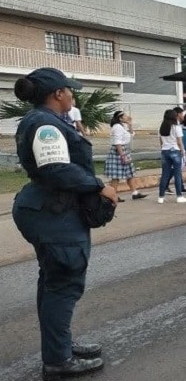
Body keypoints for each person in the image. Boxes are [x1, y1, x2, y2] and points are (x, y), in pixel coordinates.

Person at [11, 67, 117, 379]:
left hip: (49, 209)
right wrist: (99, 187)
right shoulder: (44, 123)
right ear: (58, 93)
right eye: (69, 90)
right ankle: (58, 361)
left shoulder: (46, 121)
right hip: (52, 213)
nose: (73, 94)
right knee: (63, 283)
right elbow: (56, 169)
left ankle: (61, 346)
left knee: (54, 282)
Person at [103, 110, 147, 202]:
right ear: (120, 118)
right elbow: (117, 142)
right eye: (125, 116)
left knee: (129, 173)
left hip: (123, 150)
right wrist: (122, 155)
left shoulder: (121, 126)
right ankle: (112, 195)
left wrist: (130, 124)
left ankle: (135, 193)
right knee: (116, 176)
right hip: (119, 151)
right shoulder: (117, 127)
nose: (127, 117)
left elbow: (131, 134)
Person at [158, 109, 186, 204]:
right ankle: (179, 196)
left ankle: (161, 197)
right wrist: (183, 152)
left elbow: (161, 142)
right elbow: (179, 142)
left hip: (164, 151)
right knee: (177, 174)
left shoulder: (161, 128)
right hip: (175, 150)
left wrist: (164, 148)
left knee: (164, 175)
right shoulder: (176, 127)